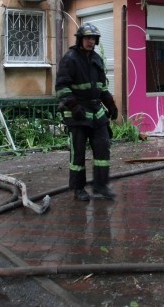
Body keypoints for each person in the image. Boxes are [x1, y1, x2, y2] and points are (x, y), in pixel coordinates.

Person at [56, 23, 118, 201]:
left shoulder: (97, 59)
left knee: (103, 148)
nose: (91, 41)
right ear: (80, 40)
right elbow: (61, 87)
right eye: (88, 38)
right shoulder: (70, 59)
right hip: (77, 114)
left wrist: (111, 105)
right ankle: (78, 188)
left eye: (93, 39)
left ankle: (100, 186)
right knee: (78, 153)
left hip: (96, 113)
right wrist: (74, 106)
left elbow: (102, 87)